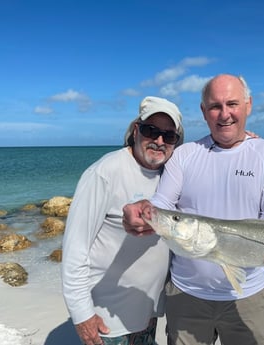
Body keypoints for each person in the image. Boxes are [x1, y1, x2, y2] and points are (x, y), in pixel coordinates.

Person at [123, 74, 264, 345]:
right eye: (215, 106)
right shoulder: (185, 155)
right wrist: (143, 211)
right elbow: (161, 204)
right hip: (186, 296)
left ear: (248, 105)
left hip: (248, 296)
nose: (225, 115)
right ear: (203, 111)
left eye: (232, 104)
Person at [62, 96, 184, 345]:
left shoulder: (172, 175)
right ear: (136, 130)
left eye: (168, 136)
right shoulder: (105, 172)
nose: (159, 141)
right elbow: (75, 248)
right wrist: (81, 313)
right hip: (107, 320)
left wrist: (245, 141)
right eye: (151, 131)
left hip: (148, 316)